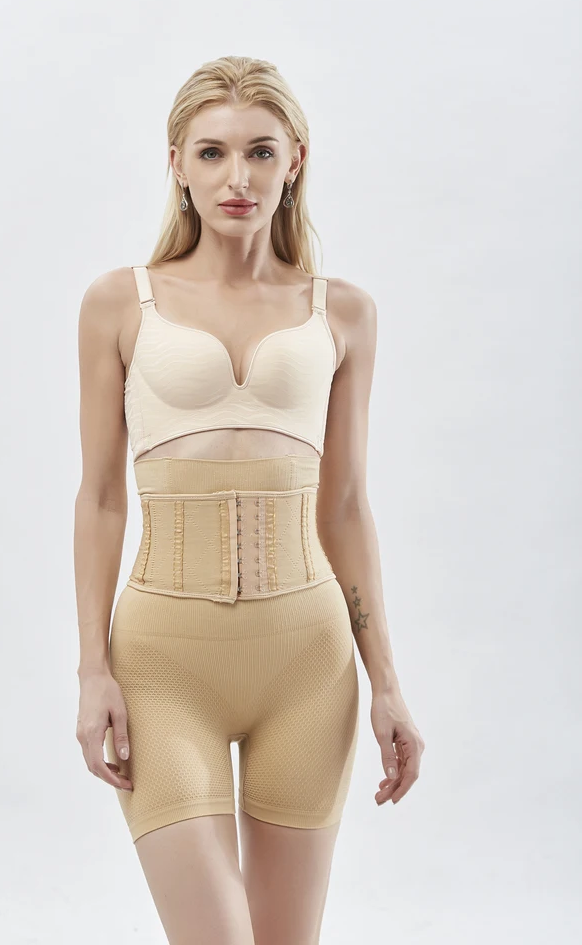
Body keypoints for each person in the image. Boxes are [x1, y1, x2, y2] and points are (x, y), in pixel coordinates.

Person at [74, 55, 425, 945]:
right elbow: (102, 497)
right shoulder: (120, 302)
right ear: (176, 164)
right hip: (163, 667)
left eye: (260, 152)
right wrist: (91, 670)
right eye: (213, 152)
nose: (238, 177)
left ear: (295, 161)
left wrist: (386, 684)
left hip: (307, 664)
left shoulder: (342, 312)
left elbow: (346, 506)